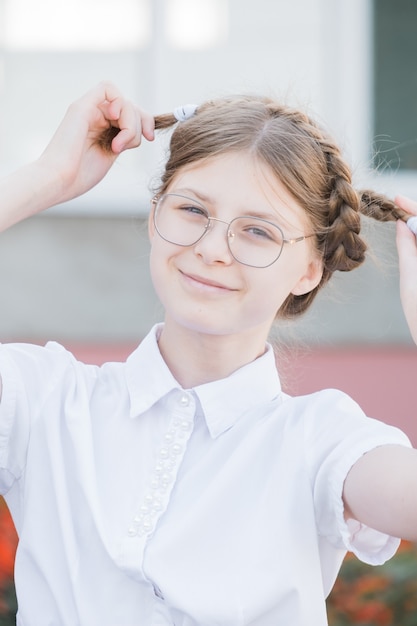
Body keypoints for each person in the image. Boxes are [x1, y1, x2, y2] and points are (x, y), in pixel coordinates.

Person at [0, 81, 416, 626]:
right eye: (193, 209)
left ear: (309, 271)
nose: (212, 249)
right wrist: (43, 180)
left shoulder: (323, 441)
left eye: (259, 232)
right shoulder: (45, 400)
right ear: (154, 216)